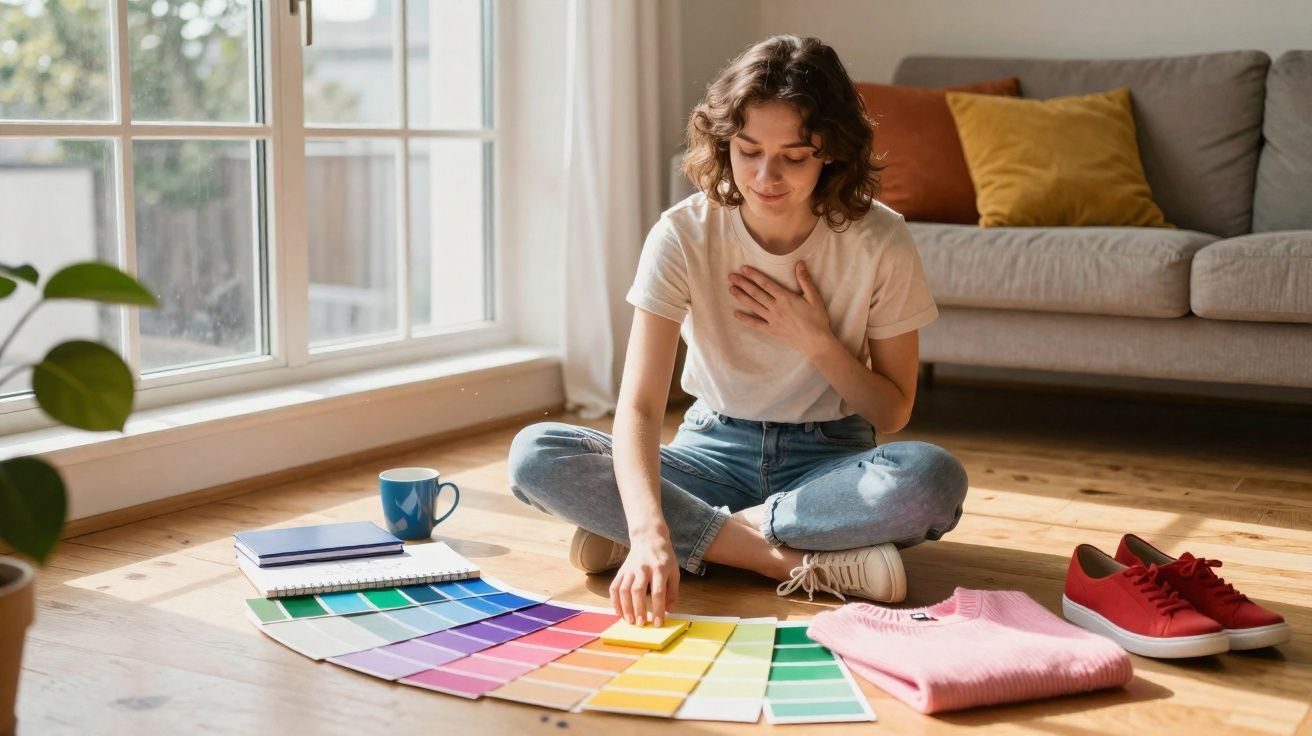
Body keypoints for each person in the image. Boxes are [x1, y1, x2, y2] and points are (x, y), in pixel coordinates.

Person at [508, 35, 968, 626]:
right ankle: (783, 560)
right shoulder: (682, 234)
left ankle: (683, 533)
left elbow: (893, 411)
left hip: (827, 462)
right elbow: (642, 406)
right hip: (709, 452)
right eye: (747, 150)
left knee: (932, 479)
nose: (765, 176)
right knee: (535, 453)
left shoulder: (880, 239)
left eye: (794, 156)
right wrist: (650, 530)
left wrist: (817, 342)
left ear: (831, 152)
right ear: (724, 140)